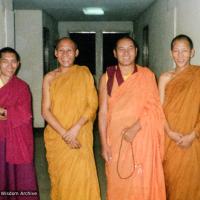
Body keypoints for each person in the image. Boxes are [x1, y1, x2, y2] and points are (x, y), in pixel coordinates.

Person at [98, 36, 166, 200]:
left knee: (141, 179)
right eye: (121, 49)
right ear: (115, 53)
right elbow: (103, 112)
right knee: (117, 179)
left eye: (130, 48)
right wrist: (103, 144)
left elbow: (154, 107)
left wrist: (135, 128)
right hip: (115, 138)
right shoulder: (107, 77)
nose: (126, 53)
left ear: (136, 52)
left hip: (142, 136)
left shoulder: (147, 75)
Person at [42, 37, 101, 200]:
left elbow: (93, 104)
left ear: (76, 53)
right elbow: (45, 111)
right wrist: (65, 134)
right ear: (55, 53)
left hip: (80, 133)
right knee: (62, 178)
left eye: (69, 50)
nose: (65, 54)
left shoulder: (84, 73)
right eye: (61, 50)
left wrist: (75, 129)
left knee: (81, 176)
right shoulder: (49, 78)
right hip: (57, 136)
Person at [159, 34, 200, 200]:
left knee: (191, 184)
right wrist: (169, 132)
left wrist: (193, 134)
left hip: (193, 139)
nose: (180, 55)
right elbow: (158, 110)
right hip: (169, 139)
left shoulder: (198, 75)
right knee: (171, 182)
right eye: (176, 51)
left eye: (185, 51)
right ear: (171, 53)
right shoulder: (164, 78)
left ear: (192, 52)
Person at [0, 47, 39, 199]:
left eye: (13, 62)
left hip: (16, 140)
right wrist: (7, 112)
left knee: (18, 176)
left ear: (19, 64)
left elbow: (24, 114)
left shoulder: (22, 87)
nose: (10, 66)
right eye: (5, 61)